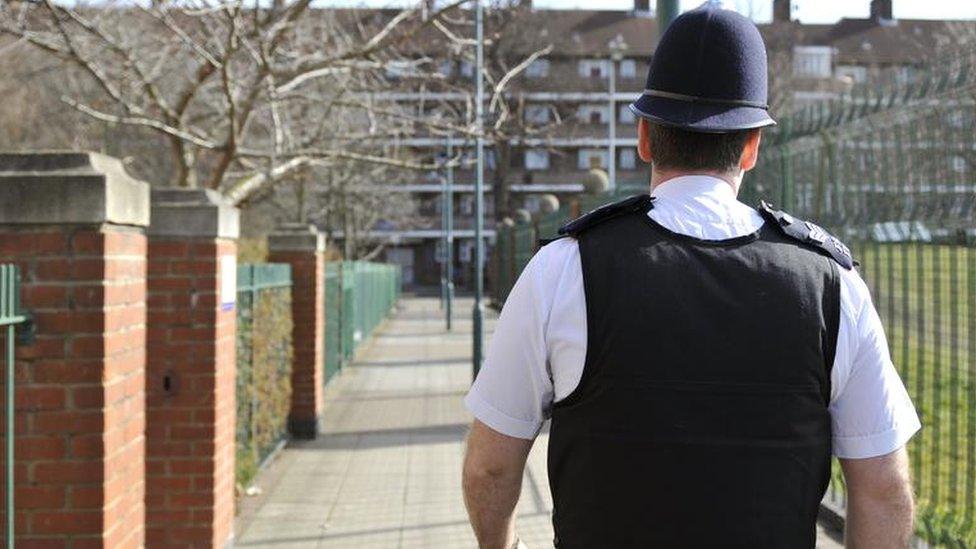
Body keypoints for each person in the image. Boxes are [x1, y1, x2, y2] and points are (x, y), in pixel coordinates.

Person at [461, 5, 921, 549]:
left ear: (645, 138)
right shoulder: (831, 286)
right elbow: (883, 491)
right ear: (751, 146)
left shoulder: (564, 269)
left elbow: (491, 467)